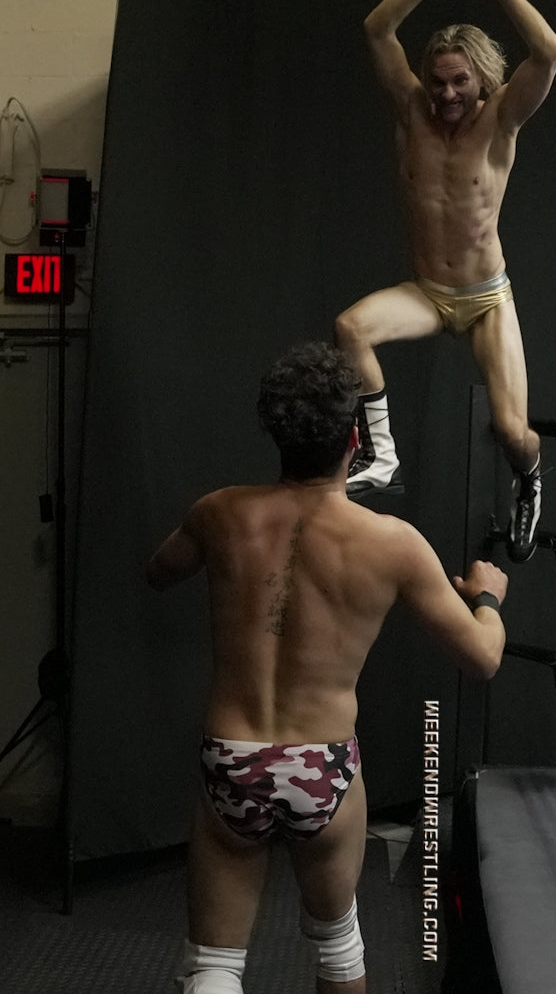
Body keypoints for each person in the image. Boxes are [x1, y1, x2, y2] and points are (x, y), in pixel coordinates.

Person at [147, 341, 508, 994]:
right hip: (324, 765)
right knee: (339, 951)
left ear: (277, 433)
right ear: (353, 440)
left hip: (233, 758)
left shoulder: (219, 511)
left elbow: (159, 572)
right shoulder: (393, 543)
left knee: (213, 965)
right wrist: (486, 597)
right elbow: (483, 658)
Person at [335, 0, 556, 563]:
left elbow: (548, 52)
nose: (447, 94)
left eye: (460, 81)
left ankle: (529, 478)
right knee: (351, 328)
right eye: (438, 82)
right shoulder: (411, 111)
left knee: (512, 431)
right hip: (429, 294)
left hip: (487, 299)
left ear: (481, 78)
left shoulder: (502, 119)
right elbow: (377, 28)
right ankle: (381, 456)